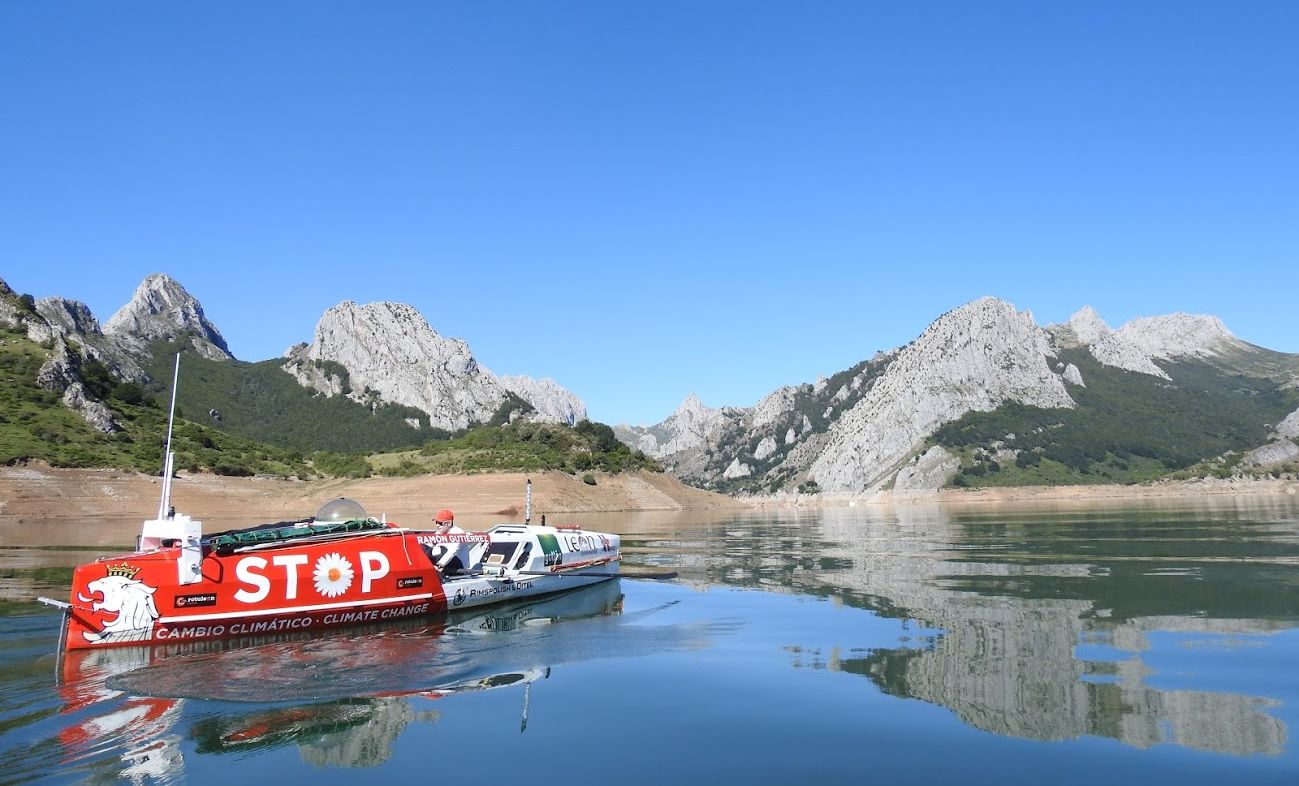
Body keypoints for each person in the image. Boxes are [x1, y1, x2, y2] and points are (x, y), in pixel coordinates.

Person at [431, 508, 470, 576]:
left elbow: (452, 552)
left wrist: (439, 564)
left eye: (440, 523)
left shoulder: (458, 533)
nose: (437, 525)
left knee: (439, 549)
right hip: (447, 564)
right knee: (427, 549)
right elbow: (429, 546)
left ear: (449, 523)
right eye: (436, 522)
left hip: (460, 567)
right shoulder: (439, 533)